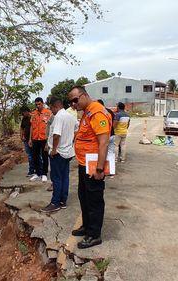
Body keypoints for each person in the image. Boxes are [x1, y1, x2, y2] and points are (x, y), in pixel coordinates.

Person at [68, 85, 111, 249]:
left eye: (75, 100)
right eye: (71, 102)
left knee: (94, 201)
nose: (73, 104)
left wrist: (99, 169)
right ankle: (87, 226)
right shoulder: (87, 112)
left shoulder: (97, 112)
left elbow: (104, 142)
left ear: (84, 95)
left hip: (94, 167)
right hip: (84, 164)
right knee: (84, 197)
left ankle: (94, 235)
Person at [41, 97, 78, 213]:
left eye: (51, 108)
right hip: (68, 152)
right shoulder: (71, 117)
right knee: (64, 177)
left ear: (55, 106)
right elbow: (77, 128)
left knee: (56, 178)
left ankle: (55, 203)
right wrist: (71, 141)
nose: (51, 110)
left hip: (59, 153)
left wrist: (54, 149)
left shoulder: (59, 117)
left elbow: (56, 135)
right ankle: (63, 201)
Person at [29, 97, 52, 182]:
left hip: (44, 139)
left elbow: (50, 127)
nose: (38, 106)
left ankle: (44, 174)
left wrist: (49, 140)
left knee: (45, 156)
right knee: (35, 156)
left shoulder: (48, 113)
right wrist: (30, 139)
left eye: (39, 104)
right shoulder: (33, 113)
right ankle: (37, 173)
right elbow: (31, 126)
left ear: (43, 103)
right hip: (35, 138)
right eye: (36, 104)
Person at [97, 99, 115, 178]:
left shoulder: (99, 112)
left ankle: (103, 170)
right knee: (111, 153)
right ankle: (111, 171)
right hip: (112, 134)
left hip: (105, 136)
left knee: (102, 153)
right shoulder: (109, 111)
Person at [20, 106, 35, 177]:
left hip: (34, 139)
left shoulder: (33, 117)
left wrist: (30, 139)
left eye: (23, 113)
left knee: (36, 155)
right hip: (26, 139)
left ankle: (39, 170)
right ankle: (31, 170)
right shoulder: (24, 119)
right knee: (29, 155)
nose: (23, 114)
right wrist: (21, 136)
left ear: (27, 111)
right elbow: (22, 127)